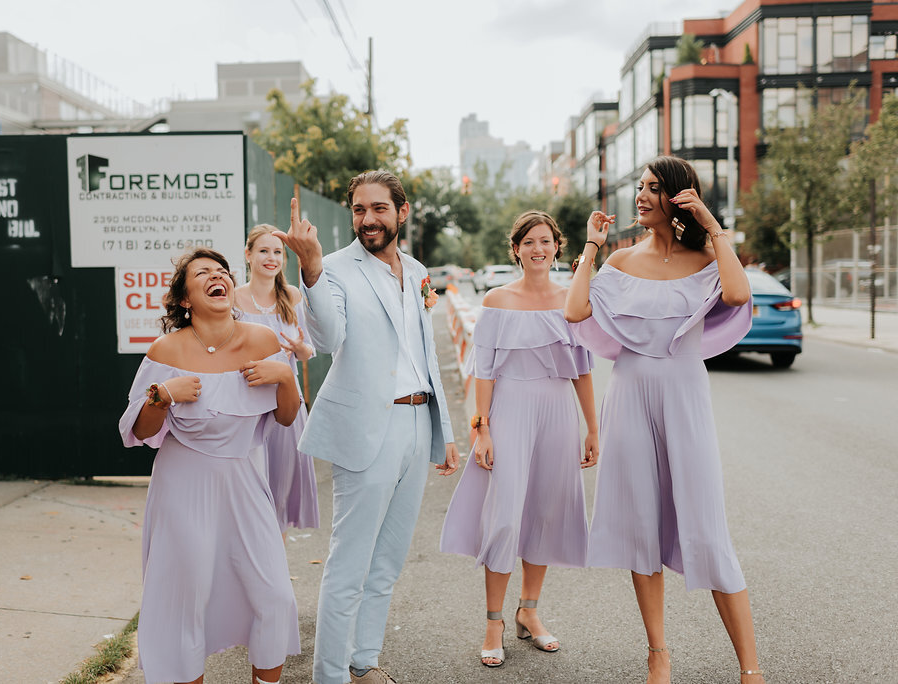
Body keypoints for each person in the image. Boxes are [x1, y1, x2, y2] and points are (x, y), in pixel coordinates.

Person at [564, 156, 765, 684]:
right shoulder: (622, 262)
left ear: (678, 197)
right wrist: (590, 246)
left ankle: (750, 668)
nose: (641, 196)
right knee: (641, 527)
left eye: (653, 188)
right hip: (629, 395)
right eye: (640, 187)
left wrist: (714, 225)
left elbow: (740, 294)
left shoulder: (705, 258)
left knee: (707, 524)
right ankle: (658, 654)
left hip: (684, 394)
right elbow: (575, 310)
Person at [273, 171, 461, 684]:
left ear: (402, 211)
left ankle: (364, 661)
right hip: (366, 428)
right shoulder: (332, 268)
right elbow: (330, 338)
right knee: (349, 563)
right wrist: (309, 269)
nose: (367, 219)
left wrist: (441, 431)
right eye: (359, 209)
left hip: (417, 421)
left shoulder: (419, 271)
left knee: (388, 561)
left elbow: (424, 355)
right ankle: (329, 676)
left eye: (379, 208)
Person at [118, 248, 302, 684]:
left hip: (244, 478)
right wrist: (162, 394)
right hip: (184, 482)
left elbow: (287, 417)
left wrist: (286, 378)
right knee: (187, 597)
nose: (217, 276)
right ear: (185, 299)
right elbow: (141, 431)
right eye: (203, 273)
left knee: (274, 594)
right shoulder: (167, 349)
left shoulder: (264, 340)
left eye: (222, 271)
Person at [439, 210, 599, 669]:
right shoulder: (497, 300)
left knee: (545, 512)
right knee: (505, 516)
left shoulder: (572, 300)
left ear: (557, 247)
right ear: (516, 249)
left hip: (558, 412)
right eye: (528, 241)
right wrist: (482, 428)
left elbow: (583, 369)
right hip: (509, 409)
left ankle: (529, 610)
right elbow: (484, 371)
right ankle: (494, 621)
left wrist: (592, 427)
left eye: (545, 241)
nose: (537, 249)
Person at [234, 224, 320, 535]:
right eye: (263, 251)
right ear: (248, 255)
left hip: (286, 406)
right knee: (247, 494)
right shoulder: (232, 299)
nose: (271, 258)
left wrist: (299, 347)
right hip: (244, 404)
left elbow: (309, 351)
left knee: (279, 495)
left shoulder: (292, 296)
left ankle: (274, 575)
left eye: (277, 252)